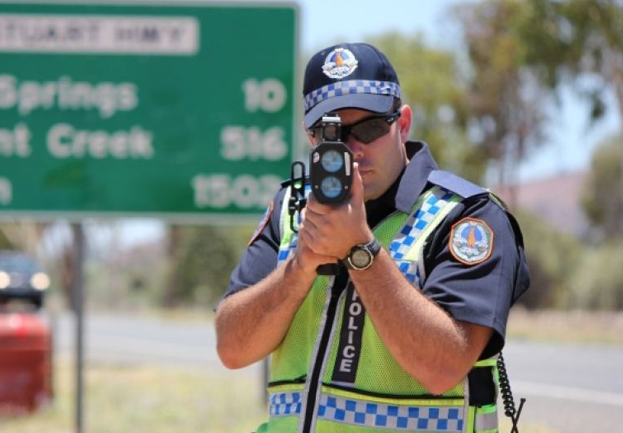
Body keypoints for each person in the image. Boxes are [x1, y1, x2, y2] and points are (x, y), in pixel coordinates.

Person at [215, 42, 530, 433]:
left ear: (402, 123)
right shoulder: (291, 208)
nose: (352, 150)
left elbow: (442, 366)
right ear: (310, 137)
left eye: (369, 127)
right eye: (330, 134)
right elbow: (232, 347)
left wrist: (359, 251)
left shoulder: (464, 216)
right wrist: (300, 267)